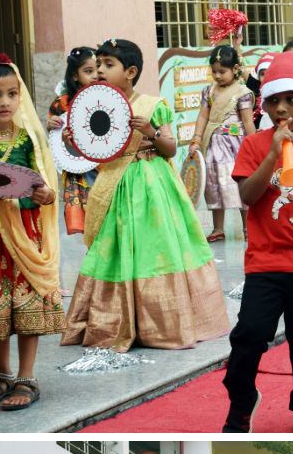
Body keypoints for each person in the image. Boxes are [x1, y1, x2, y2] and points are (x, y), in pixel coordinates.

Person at [61, 38, 230, 352]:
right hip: (114, 186)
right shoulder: (96, 106)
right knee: (117, 246)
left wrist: (151, 133)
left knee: (155, 245)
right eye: (97, 66)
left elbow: (171, 148)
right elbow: (96, 152)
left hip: (151, 186)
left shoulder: (152, 105)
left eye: (108, 65)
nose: (99, 71)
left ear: (130, 72)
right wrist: (74, 142)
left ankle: (160, 323)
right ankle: (117, 320)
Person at [0, 54, 63, 413]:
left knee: (24, 300)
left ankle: (27, 376)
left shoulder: (27, 140)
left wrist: (46, 195)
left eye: (12, 93)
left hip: (22, 234)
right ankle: (2, 374)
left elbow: (44, 185)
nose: (5, 102)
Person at [193, 43, 253, 243]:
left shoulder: (242, 92)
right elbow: (203, 117)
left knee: (241, 185)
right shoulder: (208, 91)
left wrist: (254, 145)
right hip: (212, 145)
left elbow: (247, 121)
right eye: (214, 71)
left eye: (222, 71)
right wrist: (197, 138)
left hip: (236, 146)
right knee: (214, 186)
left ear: (235, 69)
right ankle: (218, 229)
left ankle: (248, 227)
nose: (217, 76)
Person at [48, 46, 101, 236]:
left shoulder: (109, 98)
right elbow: (54, 139)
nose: (95, 75)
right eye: (88, 71)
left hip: (105, 166)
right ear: (74, 75)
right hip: (78, 169)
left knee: (109, 218)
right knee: (90, 224)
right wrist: (51, 126)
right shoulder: (62, 104)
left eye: (98, 68)